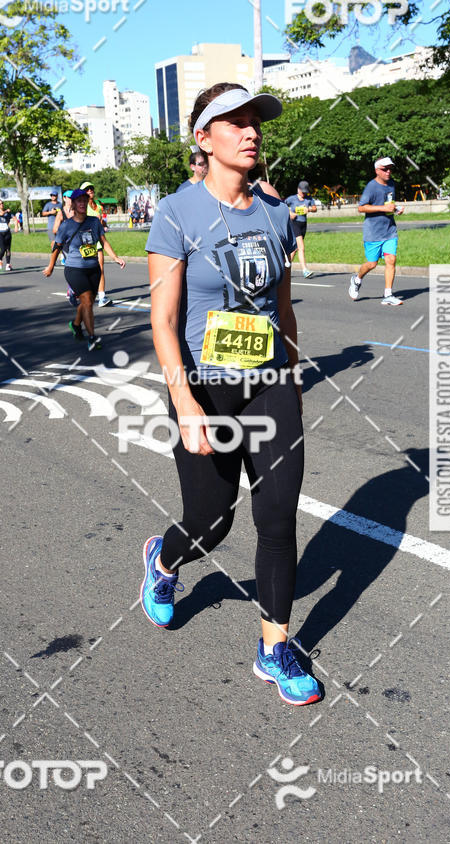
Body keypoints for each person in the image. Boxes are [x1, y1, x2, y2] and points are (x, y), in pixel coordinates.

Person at [141, 82, 322, 707]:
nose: (251, 132)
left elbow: (282, 307)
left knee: (276, 518)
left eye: (255, 123)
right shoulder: (175, 213)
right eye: (235, 122)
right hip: (204, 388)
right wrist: (185, 404)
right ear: (203, 138)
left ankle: (274, 648)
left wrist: (293, 379)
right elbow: (163, 323)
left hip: (268, 382)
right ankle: (164, 564)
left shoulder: (276, 213)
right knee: (210, 523)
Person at [42, 189, 126, 351]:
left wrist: (115, 257)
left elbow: (104, 241)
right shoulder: (66, 225)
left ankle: (75, 324)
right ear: (73, 204)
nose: (82, 203)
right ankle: (92, 338)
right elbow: (57, 247)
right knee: (87, 300)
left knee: (87, 302)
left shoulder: (94, 222)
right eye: (78, 201)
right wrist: (51, 266)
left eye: (84, 200)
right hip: (74, 269)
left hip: (93, 268)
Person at [348, 157, 405, 306]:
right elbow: (361, 208)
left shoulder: (391, 184)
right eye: (385, 169)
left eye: (390, 169)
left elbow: (388, 203)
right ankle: (357, 279)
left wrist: (396, 209)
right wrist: (383, 208)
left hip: (389, 230)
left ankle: (388, 294)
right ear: (377, 170)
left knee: (391, 260)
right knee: (372, 264)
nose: (388, 172)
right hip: (373, 233)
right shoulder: (371, 187)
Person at [80, 181, 111, 307]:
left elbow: (103, 223)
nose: (90, 190)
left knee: (100, 268)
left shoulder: (98, 205)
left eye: (91, 188)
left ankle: (102, 297)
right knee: (84, 269)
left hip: (97, 239)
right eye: (87, 189)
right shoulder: (82, 205)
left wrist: (103, 223)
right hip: (86, 241)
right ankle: (77, 289)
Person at [285, 181, 317, 279]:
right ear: (298, 189)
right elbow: (282, 206)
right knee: (301, 247)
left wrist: (310, 209)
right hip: (294, 224)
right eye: (302, 191)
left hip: (303, 224)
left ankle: (284, 268)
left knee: (294, 249)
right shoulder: (292, 198)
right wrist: (290, 213)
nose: (304, 193)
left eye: (305, 192)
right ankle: (305, 270)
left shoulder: (308, 199)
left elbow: (315, 208)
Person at [53, 189, 74, 268]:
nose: (71, 200)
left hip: (78, 243)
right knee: (71, 266)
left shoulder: (77, 211)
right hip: (66, 243)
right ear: (64, 198)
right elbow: (55, 230)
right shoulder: (61, 213)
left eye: (73, 197)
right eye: (69, 198)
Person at [0, 199, 13, 270]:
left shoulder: (7, 212)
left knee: (8, 249)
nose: (1, 205)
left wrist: (16, 225)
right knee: (3, 248)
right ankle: (0, 259)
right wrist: (6, 211)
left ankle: (8, 264)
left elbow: (13, 217)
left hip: (7, 232)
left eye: (2, 203)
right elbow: (1, 214)